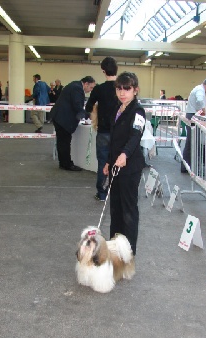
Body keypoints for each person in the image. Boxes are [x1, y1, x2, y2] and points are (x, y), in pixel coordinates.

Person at [102, 72, 146, 256]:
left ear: (135, 90)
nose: (122, 92)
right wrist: (108, 161)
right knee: (115, 208)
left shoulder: (138, 111)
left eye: (127, 89)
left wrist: (125, 154)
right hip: (115, 166)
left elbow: (136, 136)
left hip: (130, 167)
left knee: (128, 210)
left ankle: (128, 253)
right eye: (119, 88)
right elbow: (114, 140)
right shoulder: (117, 109)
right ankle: (114, 248)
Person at [85, 56, 118, 201]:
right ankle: (117, 192)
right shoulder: (122, 89)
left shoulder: (99, 89)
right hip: (119, 132)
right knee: (120, 162)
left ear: (103, 71)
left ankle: (102, 193)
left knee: (103, 163)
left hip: (104, 131)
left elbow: (88, 107)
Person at [50, 76, 96, 171]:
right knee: (65, 142)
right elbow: (77, 106)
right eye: (91, 87)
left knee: (62, 142)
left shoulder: (74, 85)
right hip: (63, 119)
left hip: (59, 117)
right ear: (86, 83)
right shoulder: (77, 89)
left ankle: (63, 163)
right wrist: (89, 116)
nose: (90, 90)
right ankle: (67, 164)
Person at [181, 77, 206, 173]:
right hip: (194, 116)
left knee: (190, 143)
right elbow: (200, 100)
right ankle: (192, 167)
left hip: (192, 115)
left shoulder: (198, 89)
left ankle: (187, 166)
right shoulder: (200, 91)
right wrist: (203, 111)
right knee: (194, 143)